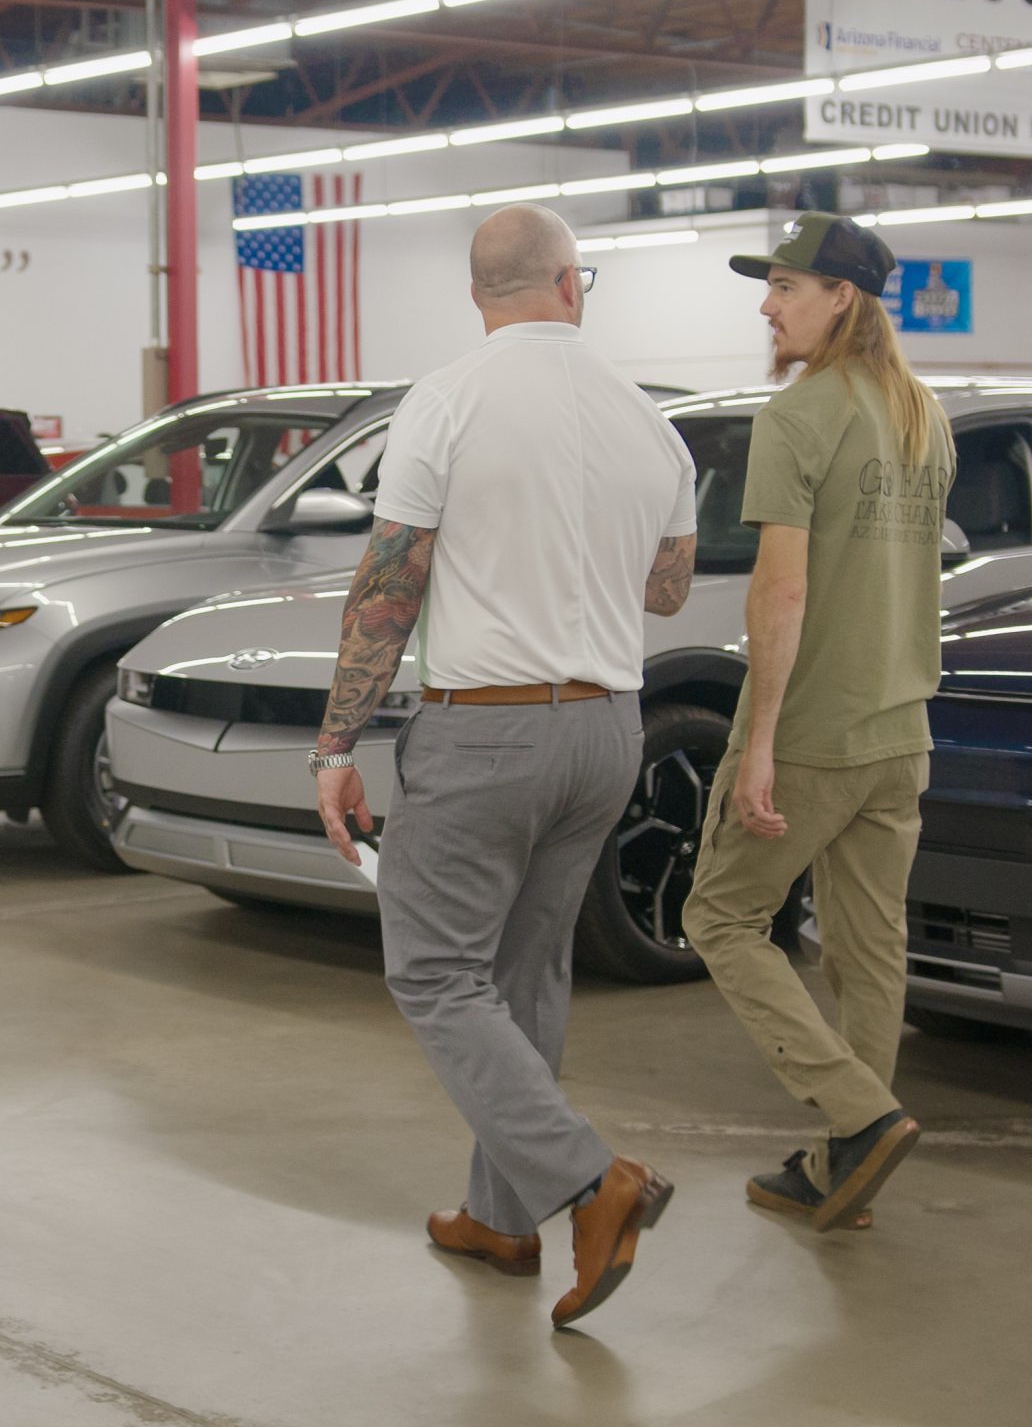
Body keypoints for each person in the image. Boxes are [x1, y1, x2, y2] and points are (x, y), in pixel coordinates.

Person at [311, 203, 699, 1328]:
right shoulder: (651, 422)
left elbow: (388, 588)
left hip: (487, 729)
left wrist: (337, 743)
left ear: (479, 295)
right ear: (574, 286)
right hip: (606, 730)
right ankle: (500, 1218)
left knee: (433, 972)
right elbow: (665, 589)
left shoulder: (444, 401)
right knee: (525, 976)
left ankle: (588, 1183)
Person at [681, 212, 955, 1233]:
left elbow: (780, 596)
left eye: (786, 285)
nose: (767, 303)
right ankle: (849, 1159)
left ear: (841, 298)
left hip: (816, 731)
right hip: (901, 728)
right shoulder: (923, 417)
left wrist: (755, 745)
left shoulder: (796, 419)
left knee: (717, 917)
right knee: (866, 949)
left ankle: (857, 1113)